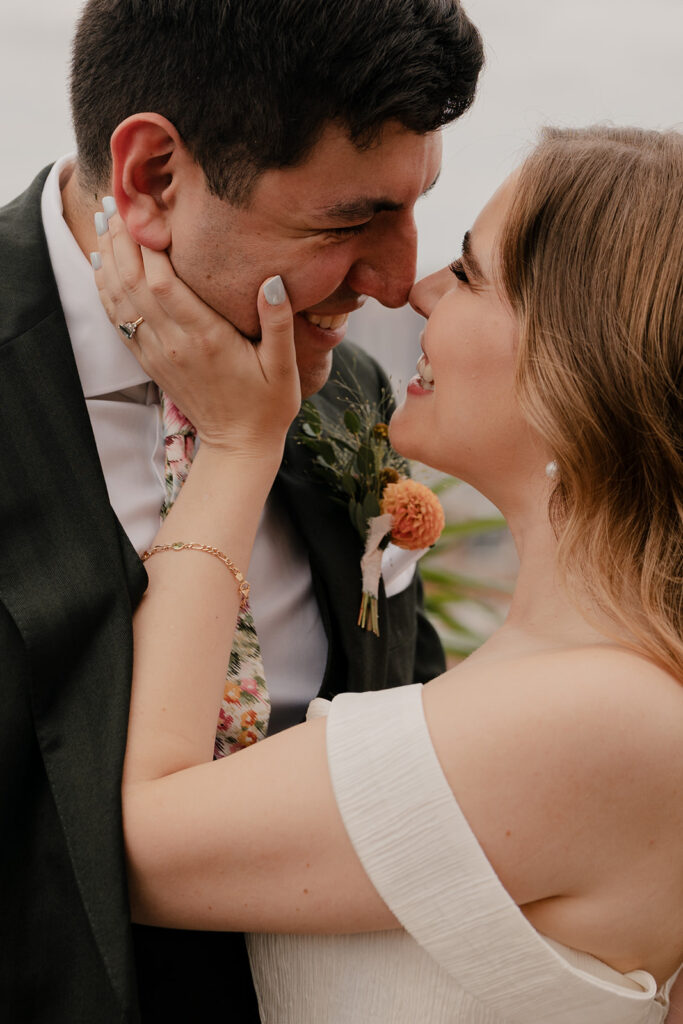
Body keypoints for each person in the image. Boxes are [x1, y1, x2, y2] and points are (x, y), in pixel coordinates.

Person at [94, 123, 682, 1022]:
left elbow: (130, 851)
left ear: (577, 357)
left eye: (471, 270)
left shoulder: (603, 715)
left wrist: (238, 443)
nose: (418, 289)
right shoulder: (575, 674)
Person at [0, 1, 485, 1020]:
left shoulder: (343, 390)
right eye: (349, 219)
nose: (399, 282)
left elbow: (400, 710)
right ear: (152, 178)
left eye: (415, 205)